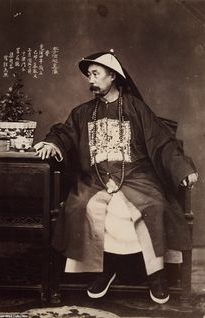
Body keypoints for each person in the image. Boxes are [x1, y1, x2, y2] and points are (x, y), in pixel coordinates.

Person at [34, 50, 198, 304]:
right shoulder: (82, 112)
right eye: (89, 75)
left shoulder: (136, 108)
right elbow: (64, 133)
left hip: (137, 176)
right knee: (81, 206)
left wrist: (182, 170)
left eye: (96, 74)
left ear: (112, 76)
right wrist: (53, 144)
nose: (91, 79)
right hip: (95, 178)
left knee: (153, 205)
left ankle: (156, 274)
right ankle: (105, 270)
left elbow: (162, 142)